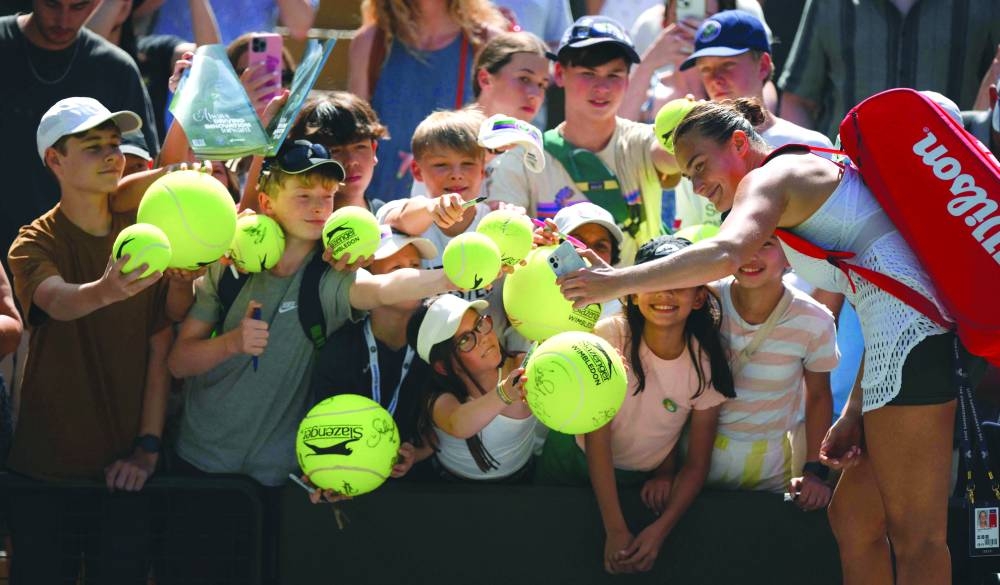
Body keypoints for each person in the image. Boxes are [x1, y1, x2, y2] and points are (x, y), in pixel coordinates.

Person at [557, 98, 989, 585]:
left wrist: (614, 282)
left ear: (740, 143)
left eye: (700, 166)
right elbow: (890, 292)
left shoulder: (771, 178)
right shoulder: (803, 165)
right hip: (901, 351)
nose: (697, 187)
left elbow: (726, 251)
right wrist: (854, 412)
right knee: (853, 521)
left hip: (916, 349)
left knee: (919, 540)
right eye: (688, 176)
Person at [166, 139, 469, 583]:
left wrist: (450, 276)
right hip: (199, 462)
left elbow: (385, 289)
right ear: (267, 201)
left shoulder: (333, 274)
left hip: (278, 480)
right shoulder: (228, 263)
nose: (317, 207)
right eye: (303, 195)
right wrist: (232, 343)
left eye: (326, 197)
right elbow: (177, 361)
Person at [6, 97, 176, 583]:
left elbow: (159, 348)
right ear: (54, 161)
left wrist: (146, 449)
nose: (112, 155)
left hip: (126, 474)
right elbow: (56, 302)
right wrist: (106, 289)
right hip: (44, 475)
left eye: (115, 144)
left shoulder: (147, 229)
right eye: (92, 146)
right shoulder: (33, 241)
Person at [535, 235, 733, 573]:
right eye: (653, 281)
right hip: (569, 460)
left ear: (700, 297)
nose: (665, 294)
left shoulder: (709, 362)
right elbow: (598, 440)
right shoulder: (607, 336)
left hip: (633, 482)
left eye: (679, 283)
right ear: (633, 290)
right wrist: (616, 529)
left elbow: (697, 463)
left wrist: (659, 531)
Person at [487, 15, 678, 266]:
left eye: (614, 75)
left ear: (628, 79)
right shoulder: (523, 158)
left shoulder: (643, 141)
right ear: (559, 73)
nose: (602, 88)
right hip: (554, 301)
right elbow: (503, 233)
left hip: (637, 302)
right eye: (588, 73)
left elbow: (676, 158)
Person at [0, 0, 159, 257]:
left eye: (78, 6)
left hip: (87, 266)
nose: (63, 20)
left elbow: (137, 173)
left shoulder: (116, 68)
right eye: (52, 5)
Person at [661, 10, 833, 231]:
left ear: (762, 65)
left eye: (727, 65)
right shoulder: (693, 156)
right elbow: (690, 232)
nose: (715, 79)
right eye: (705, 69)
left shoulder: (812, 145)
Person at [708, 234, 838, 510]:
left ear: (790, 255)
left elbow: (818, 395)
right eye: (741, 241)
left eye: (766, 243)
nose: (751, 255)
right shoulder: (702, 300)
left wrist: (814, 472)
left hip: (770, 468)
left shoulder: (816, 320)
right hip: (696, 457)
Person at [309, 231, 440, 480]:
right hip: (352, 479)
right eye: (396, 268)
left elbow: (444, 426)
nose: (411, 275)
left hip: (420, 488)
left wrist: (417, 454)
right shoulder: (341, 347)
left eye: (415, 266)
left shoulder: (434, 344)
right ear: (371, 279)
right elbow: (325, 429)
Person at [348, 0, 508, 200]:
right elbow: (353, 139)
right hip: (382, 207)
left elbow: (501, 143)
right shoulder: (370, 42)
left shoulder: (488, 42)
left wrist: (436, 162)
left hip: (460, 211)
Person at [778, 0, 1000, 139]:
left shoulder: (986, 6)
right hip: (848, 186)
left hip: (951, 189)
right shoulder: (829, 4)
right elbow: (798, 100)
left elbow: (993, 99)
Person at [406, 294, 536, 482]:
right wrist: (504, 393)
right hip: (454, 487)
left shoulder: (521, 365)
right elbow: (458, 424)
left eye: (479, 324)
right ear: (442, 366)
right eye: (466, 339)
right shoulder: (438, 399)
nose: (483, 337)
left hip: (523, 479)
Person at [285, 92, 390, 213]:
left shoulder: (390, 219)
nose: (351, 161)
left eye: (360, 147)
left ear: (374, 150)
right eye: (335, 151)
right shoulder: (296, 226)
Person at [551, 202, 624, 318]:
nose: (588, 252)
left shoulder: (624, 312)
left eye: (600, 246)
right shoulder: (524, 281)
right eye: (576, 243)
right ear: (554, 245)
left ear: (612, 255)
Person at [473, 31, 550, 122]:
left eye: (541, 85)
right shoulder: (455, 134)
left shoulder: (534, 136)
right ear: (485, 79)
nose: (535, 95)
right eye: (524, 79)